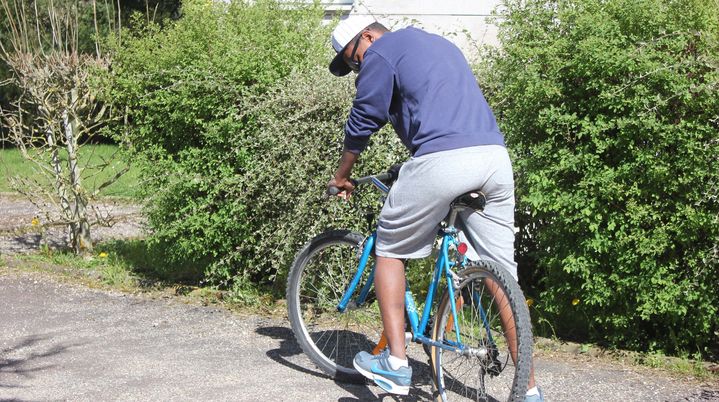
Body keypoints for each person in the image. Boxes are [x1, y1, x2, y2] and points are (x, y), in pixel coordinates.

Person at [326, 15, 544, 401]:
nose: (358, 68)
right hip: (493, 159)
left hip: (445, 160)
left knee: (389, 249)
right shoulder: (439, 45)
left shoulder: (382, 51)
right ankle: (529, 392)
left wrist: (343, 174)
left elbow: (364, 117)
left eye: (354, 59)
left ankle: (394, 365)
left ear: (368, 36)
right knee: (501, 277)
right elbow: (441, 114)